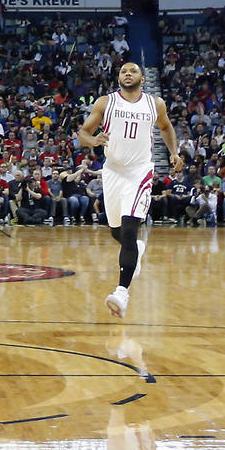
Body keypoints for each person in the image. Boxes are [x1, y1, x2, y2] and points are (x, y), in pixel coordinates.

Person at [78, 61, 182, 319]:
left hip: (139, 171)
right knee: (117, 231)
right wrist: (93, 140)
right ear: (119, 77)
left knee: (128, 227)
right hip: (113, 171)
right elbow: (83, 132)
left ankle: (122, 292)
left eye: (132, 71)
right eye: (123, 71)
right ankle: (136, 247)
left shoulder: (155, 104)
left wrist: (173, 153)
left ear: (142, 78)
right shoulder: (106, 102)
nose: (127, 74)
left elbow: (166, 127)